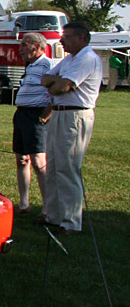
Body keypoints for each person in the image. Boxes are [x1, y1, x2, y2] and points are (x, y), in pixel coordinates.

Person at [39, 21, 103, 235]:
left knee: (68, 167)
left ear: (81, 38)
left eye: (66, 37)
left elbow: (61, 86)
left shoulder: (87, 58)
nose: (61, 41)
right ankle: (54, 215)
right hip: (58, 113)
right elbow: (45, 79)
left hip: (75, 115)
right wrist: (57, 81)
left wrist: (57, 82)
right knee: (54, 165)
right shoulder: (69, 59)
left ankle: (71, 221)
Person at [11, 33, 53, 214]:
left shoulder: (48, 65)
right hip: (22, 114)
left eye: (23, 45)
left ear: (35, 47)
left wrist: (45, 115)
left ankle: (48, 207)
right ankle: (24, 204)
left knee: (38, 160)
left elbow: (57, 91)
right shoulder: (30, 66)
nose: (20, 49)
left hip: (36, 116)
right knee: (22, 159)